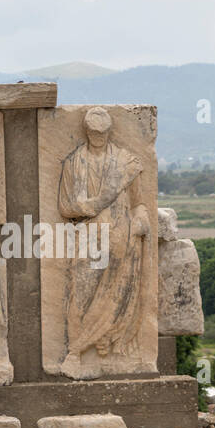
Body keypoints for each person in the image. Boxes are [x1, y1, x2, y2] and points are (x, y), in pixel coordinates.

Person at [57, 106, 150, 373]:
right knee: (81, 293)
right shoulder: (74, 162)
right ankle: (75, 349)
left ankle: (109, 345)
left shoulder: (126, 162)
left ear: (109, 131)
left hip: (122, 238)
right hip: (89, 238)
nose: (98, 136)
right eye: (94, 132)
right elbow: (66, 207)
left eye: (103, 132)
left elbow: (138, 203)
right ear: (86, 131)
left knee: (118, 295)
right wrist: (95, 204)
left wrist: (141, 222)